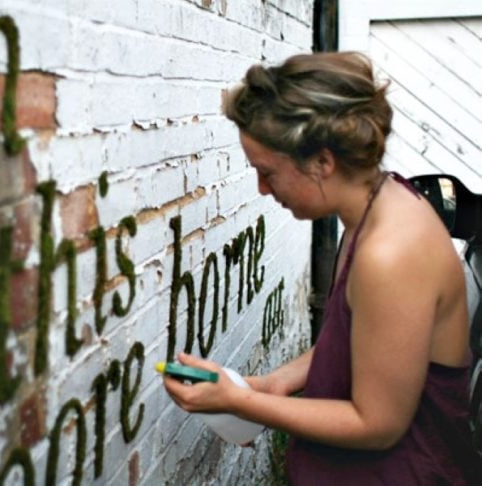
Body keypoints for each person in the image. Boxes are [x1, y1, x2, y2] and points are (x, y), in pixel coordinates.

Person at [162, 51, 482, 484]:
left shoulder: (390, 254)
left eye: (268, 172)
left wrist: (239, 402)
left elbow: (377, 426)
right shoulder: (375, 207)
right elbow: (364, 340)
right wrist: (275, 382)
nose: (261, 188)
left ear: (322, 162)